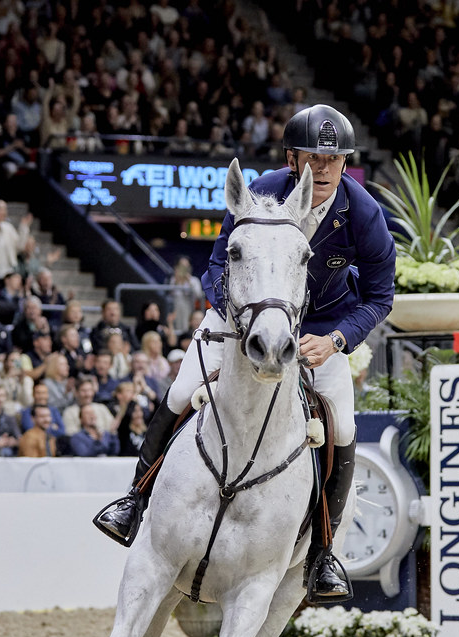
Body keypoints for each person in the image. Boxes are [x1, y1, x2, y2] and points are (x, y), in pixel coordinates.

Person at [95, 104, 396, 602]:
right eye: (312, 158)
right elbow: (216, 266)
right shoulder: (260, 192)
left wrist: (337, 340)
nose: (323, 169)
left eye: (334, 159)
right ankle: (134, 499)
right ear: (291, 157)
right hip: (244, 318)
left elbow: (381, 296)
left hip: (319, 332)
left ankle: (322, 553)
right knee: (182, 389)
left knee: (341, 425)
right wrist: (242, 320)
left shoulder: (362, 214)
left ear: (345, 163)